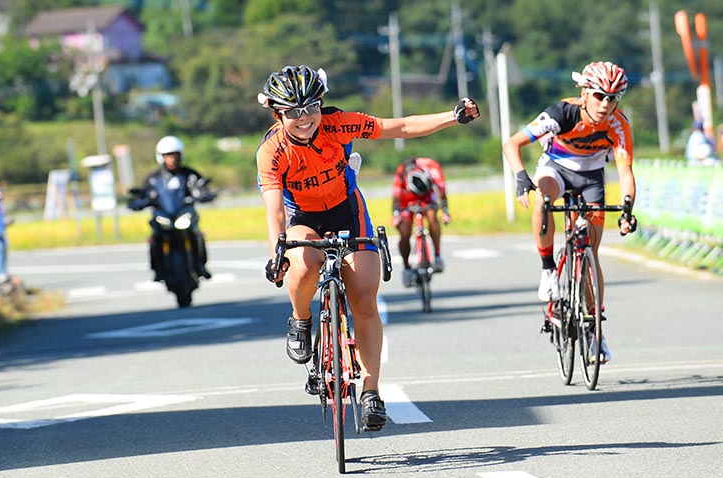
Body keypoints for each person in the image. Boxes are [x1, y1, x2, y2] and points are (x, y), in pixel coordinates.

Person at [257, 64, 479, 431]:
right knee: (306, 263)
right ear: (278, 113)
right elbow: (275, 211)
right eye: (293, 112)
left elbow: (401, 127)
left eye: (311, 107)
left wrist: (452, 117)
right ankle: (300, 319)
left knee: (363, 297)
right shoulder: (272, 151)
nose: (304, 118)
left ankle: (371, 392)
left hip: (347, 210)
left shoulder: (340, 124)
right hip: (303, 218)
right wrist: (277, 254)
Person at [502, 61, 637, 364]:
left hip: (591, 178)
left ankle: (595, 330)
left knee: (590, 250)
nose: (606, 104)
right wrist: (521, 175)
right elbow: (512, 144)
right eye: (600, 96)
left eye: (613, 98)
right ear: (585, 92)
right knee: (544, 198)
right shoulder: (561, 113)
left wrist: (627, 210)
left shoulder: (618, 124)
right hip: (556, 169)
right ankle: (549, 268)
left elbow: (626, 172)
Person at [134, 135, 213, 282]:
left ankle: (200, 265)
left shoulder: (189, 174)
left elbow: (200, 186)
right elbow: (143, 194)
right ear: (161, 157)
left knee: (197, 234)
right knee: (155, 238)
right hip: (163, 215)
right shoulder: (153, 178)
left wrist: (205, 194)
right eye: (168, 155)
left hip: (184, 213)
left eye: (175, 155)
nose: (172, 159)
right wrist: (138, 202)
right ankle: (158, 269)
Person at [391, 157, 450, 287]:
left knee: (432, 216)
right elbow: (395, 197)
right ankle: (406, 267)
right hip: (406, 199)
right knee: (405, 231)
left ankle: (437, 255)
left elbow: (442, 192)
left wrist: (445, 212)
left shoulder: (434, 168)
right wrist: (396, 216)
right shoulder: (402, 172)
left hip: (427, 196)